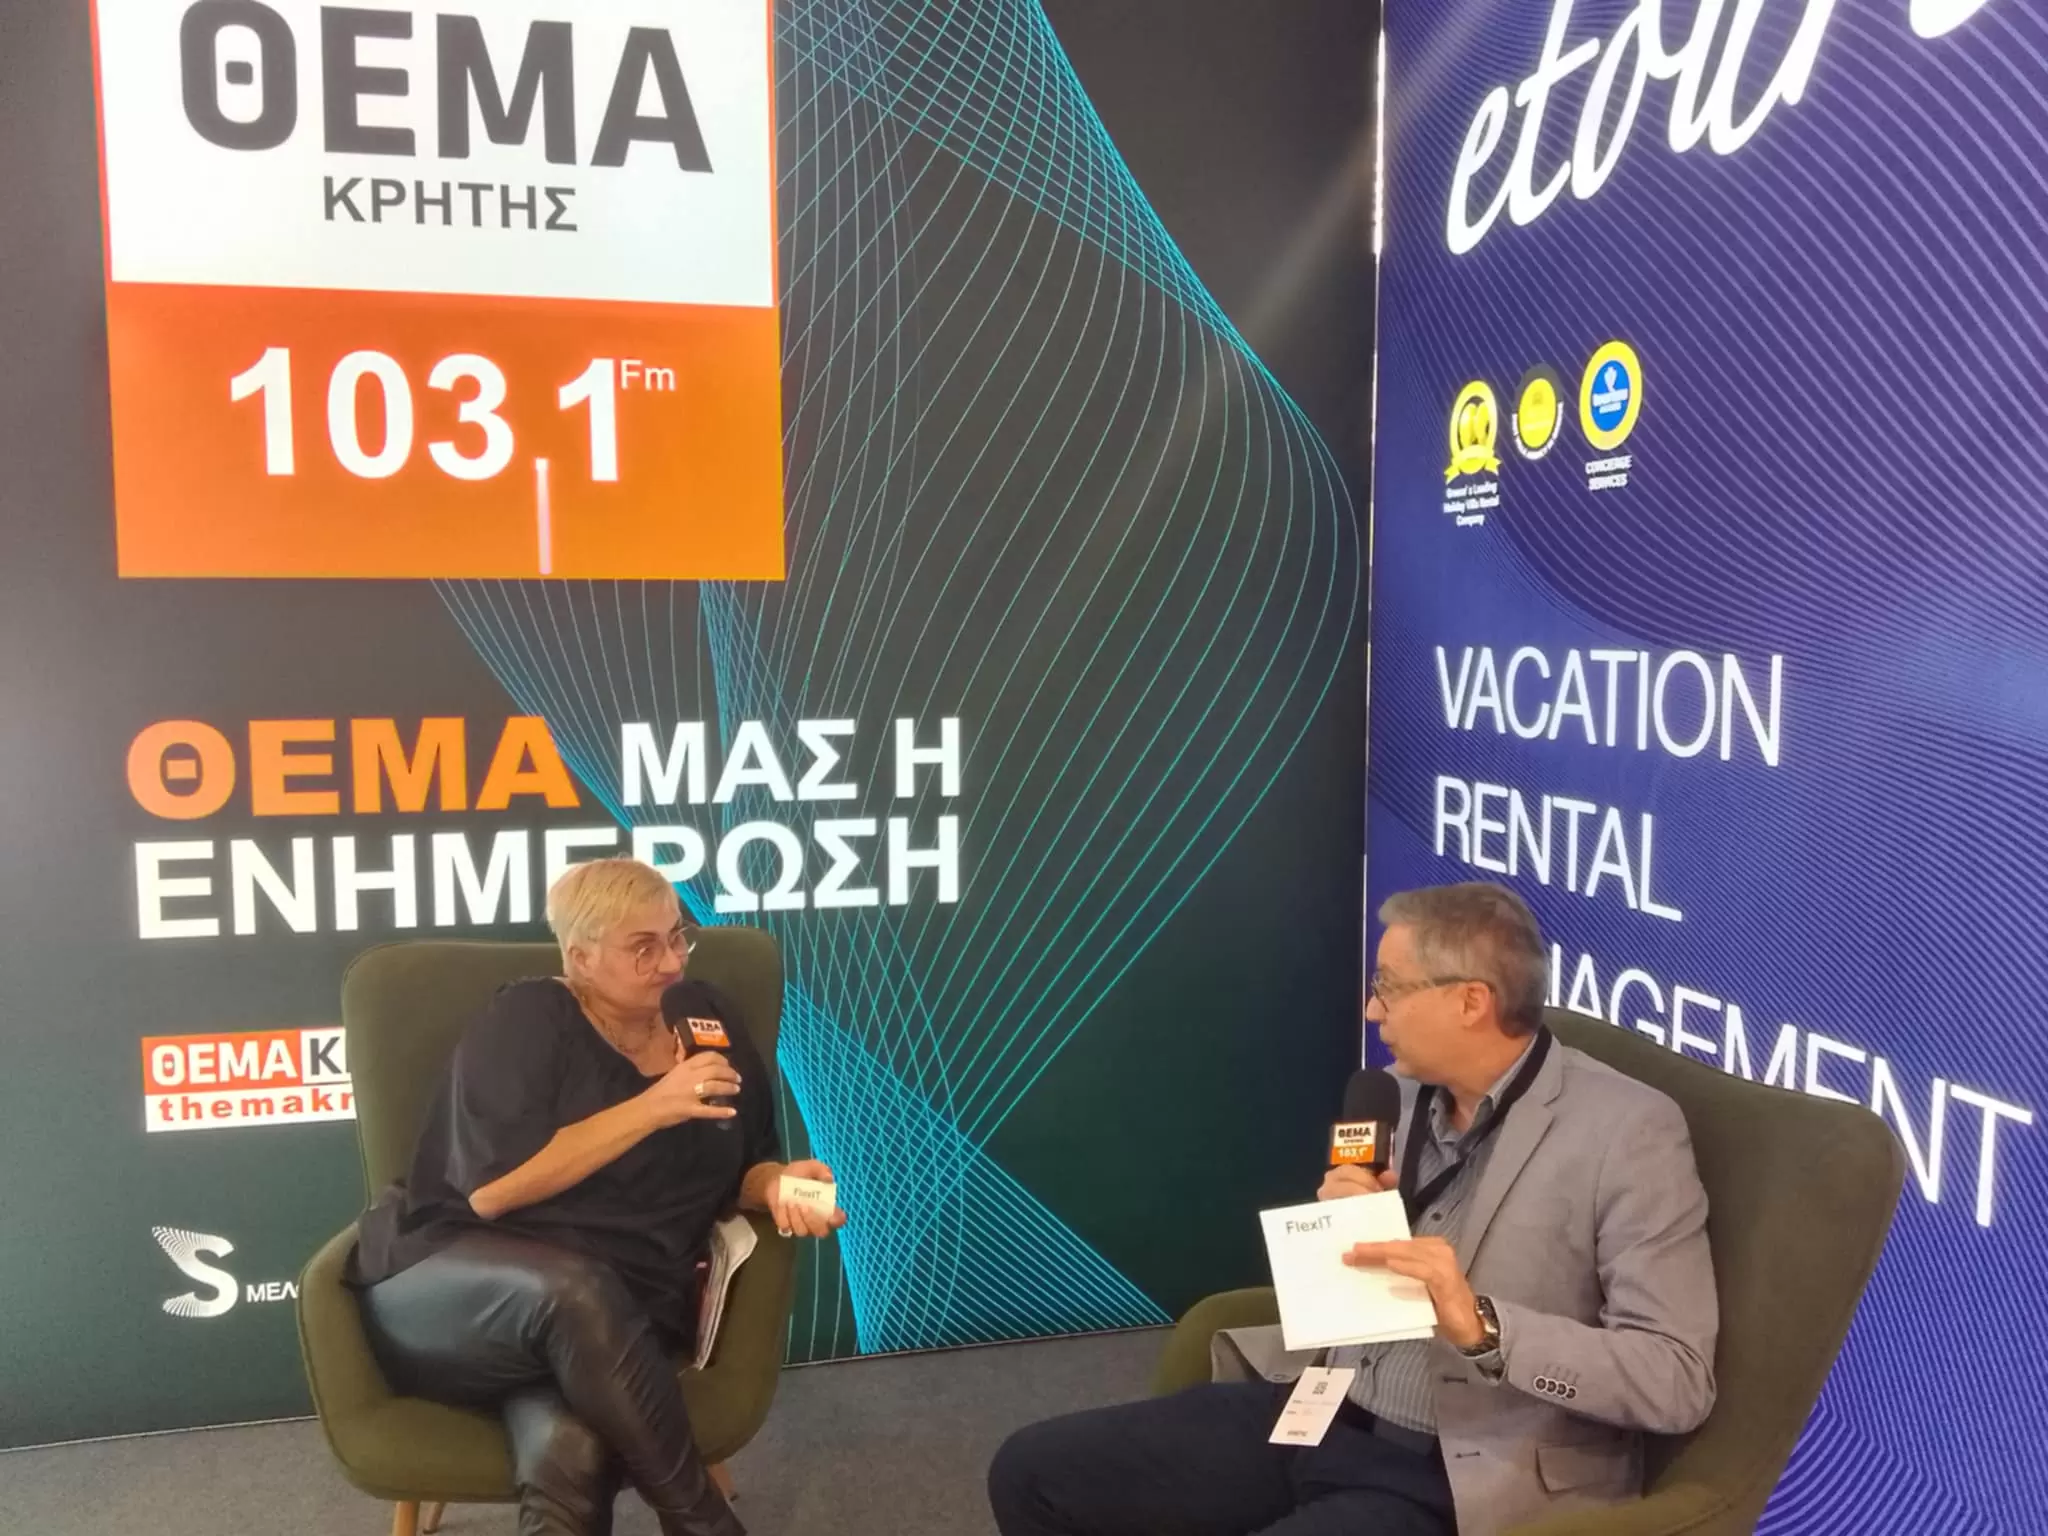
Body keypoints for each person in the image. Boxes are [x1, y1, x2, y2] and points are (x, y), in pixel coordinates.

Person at [988, 881, 1718, 1536]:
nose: (1372, 1009)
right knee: (1032, 1472)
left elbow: (1676, 1381)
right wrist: (1338, 1228)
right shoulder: (1389, 1094)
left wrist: (1485, 1327)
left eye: (1389, 988)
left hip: (1459, 1469)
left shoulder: (1627, 1132)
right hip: (1318, 1407)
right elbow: (1351, 1276)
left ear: (1471, 1001)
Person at [346, 857, 846, 1536]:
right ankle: (700, 1519)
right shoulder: (527, 1018)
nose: (671, 961)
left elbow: (747, 1162)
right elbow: (493, 1191)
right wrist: (654, 1105)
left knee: (570, 1449)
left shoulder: (707, 1016)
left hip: (617, 1323)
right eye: (643, 947)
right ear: (580, 957)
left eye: (676, 936)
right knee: (574, 1291)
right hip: (454, 1290)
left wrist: (779, 1184)